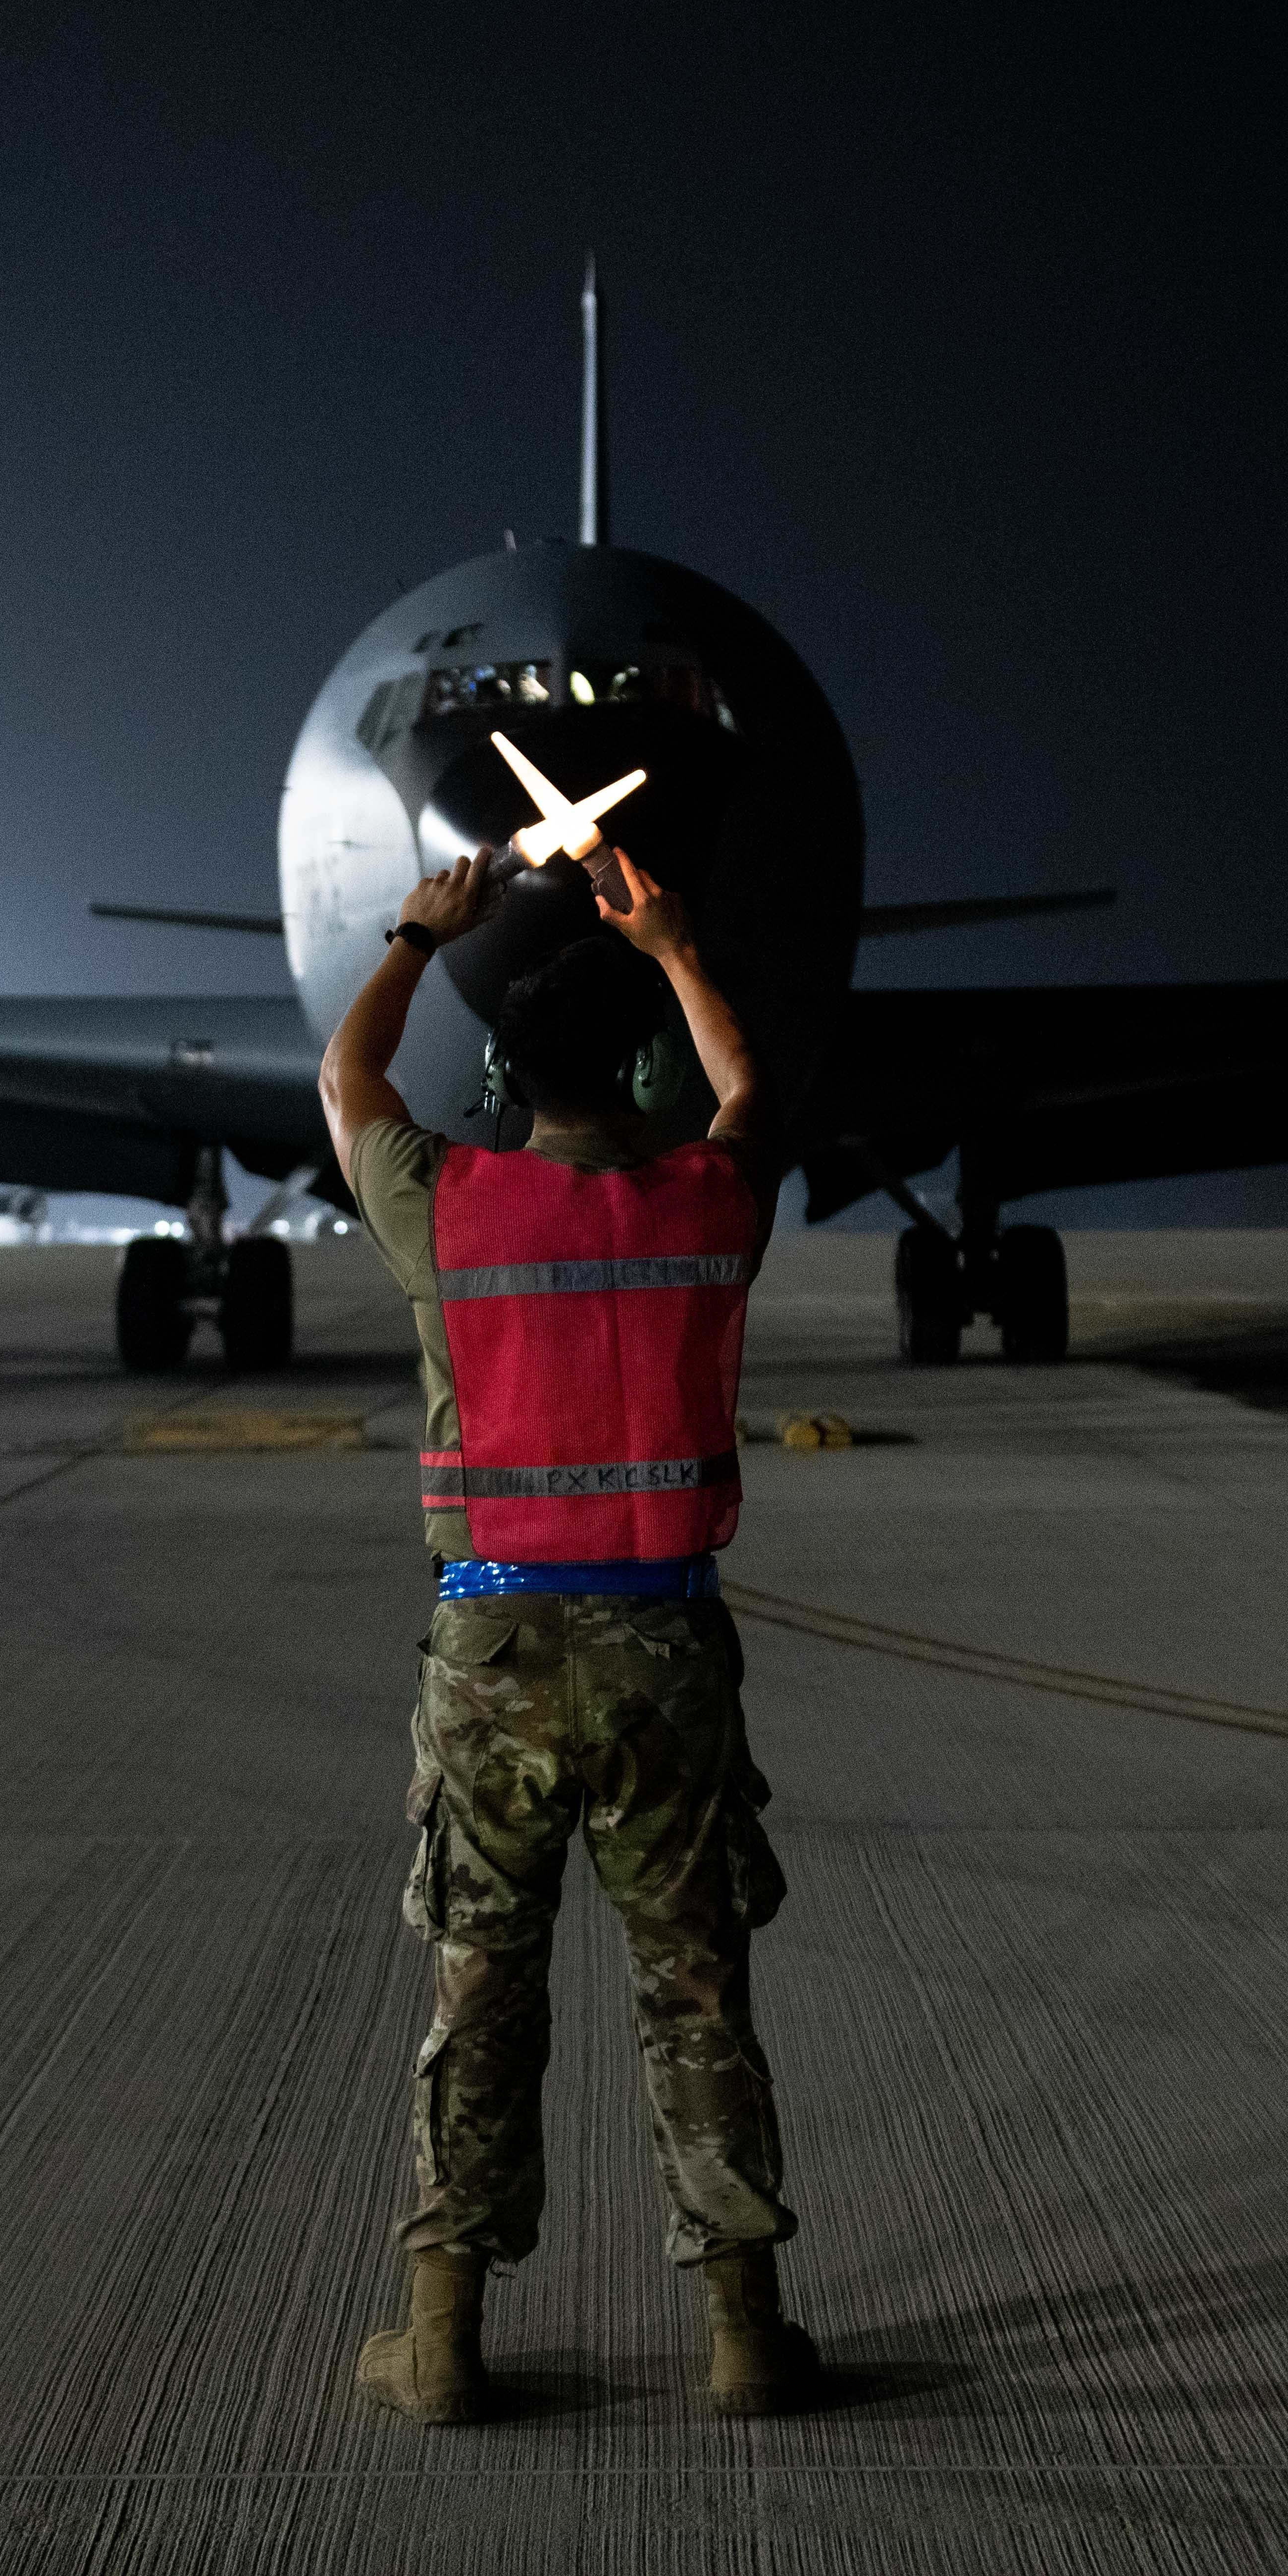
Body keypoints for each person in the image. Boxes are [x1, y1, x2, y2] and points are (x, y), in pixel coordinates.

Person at [318, 843, 819, 2426]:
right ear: (642, 1068)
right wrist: (676, 948)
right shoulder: (710, 1199)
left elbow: (347, 1080)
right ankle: (745, 2334)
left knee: (482, 1992)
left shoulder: (448, 1204)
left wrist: (417, 935)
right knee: (696, 1990)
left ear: (502, 1074)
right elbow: (749, 1090)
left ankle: (444, 2338)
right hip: (669, 1652)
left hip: (496, 1658)